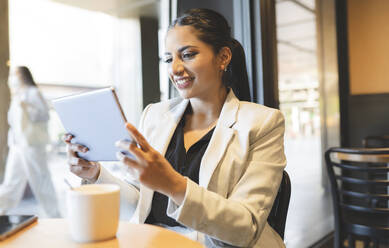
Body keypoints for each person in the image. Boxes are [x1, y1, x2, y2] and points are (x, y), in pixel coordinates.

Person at [65, 8, 286, 247]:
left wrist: (173, 185)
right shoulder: (154, 115)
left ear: (223, 57)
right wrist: (95, 174)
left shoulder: (264, 123)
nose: (175, 69)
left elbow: (246, 227)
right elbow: (140, 204)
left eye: (188, 55)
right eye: (169, 59)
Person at [0, 66, 60, 217]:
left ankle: (54, 216)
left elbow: (44, 115)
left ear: (22, 75)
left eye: (15, 74)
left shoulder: (34, 93)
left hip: (32, 145)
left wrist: (27, 107)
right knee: (11, 182)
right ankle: (2, 210)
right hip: (17, 146)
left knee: (41, 180)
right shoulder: (17, 95)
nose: (13, 78)